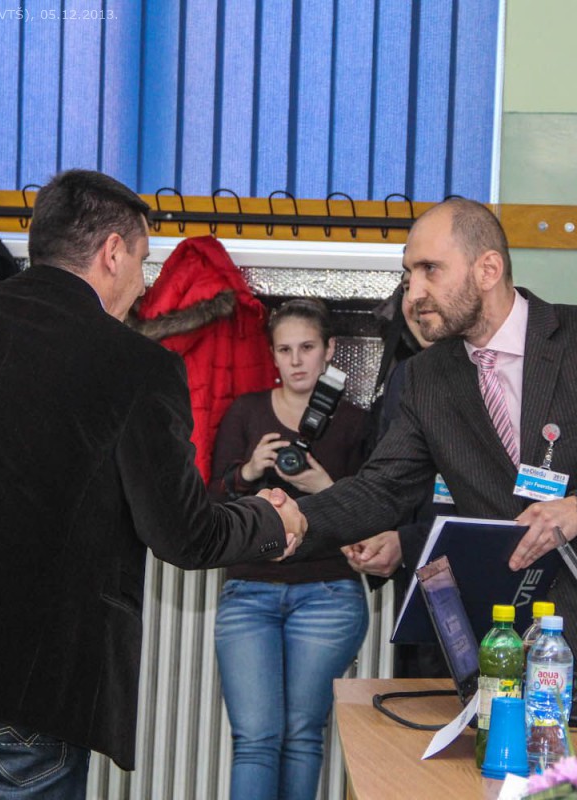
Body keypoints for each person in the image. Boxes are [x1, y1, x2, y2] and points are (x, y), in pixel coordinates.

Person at [0, 170, 306, 799]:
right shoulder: (138, 366)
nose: (143, 284)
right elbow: (182, 533)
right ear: (112, 252)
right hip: (28, 683)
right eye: (142, 261)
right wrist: (270, 520)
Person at [300, 197, 577, 674]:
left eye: (429, 270)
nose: (413, 293)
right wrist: (288, 522)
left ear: (488, 269)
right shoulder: (427, 377)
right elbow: (380, 488)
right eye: (407, 276)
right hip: (519, 643)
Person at [208, 298, 369, 800]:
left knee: (301, 735)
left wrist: (322, 484)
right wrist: (248, 471)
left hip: (328, 592)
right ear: (273, 355)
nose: (296, 361)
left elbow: (374, 511)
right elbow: (210, 506)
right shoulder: (246, 412)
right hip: (249, 590)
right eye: (284, 350)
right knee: (255, 738)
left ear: (329, 350)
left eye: (307, 347)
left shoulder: (356, 422)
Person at [342, 278, 451, 679]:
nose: (415, 298)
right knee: (414, 705)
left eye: (431, 274)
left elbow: (501, 507)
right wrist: (368, 531)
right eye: (406, 285)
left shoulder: (498, 376)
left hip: (482, 601)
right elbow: (390, 476)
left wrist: (406, 542)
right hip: (416, 587)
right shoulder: (404, 376)